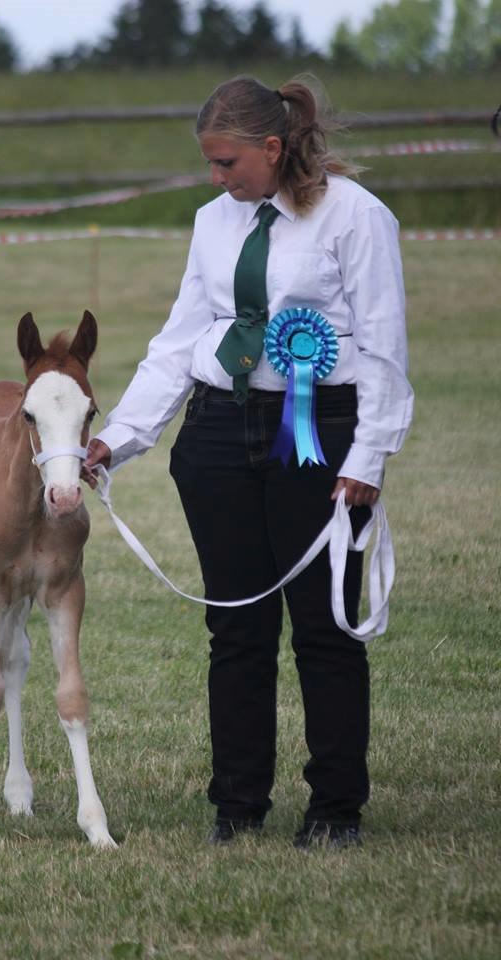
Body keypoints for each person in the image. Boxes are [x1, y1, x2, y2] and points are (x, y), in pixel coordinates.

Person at [83, 75, 413, 849]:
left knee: (326, 630)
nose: (216, 178)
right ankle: (236, 806)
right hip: (218, 437)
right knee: (236, 630)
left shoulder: (356, 218)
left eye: (227, 162)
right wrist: (119, 437)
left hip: (319, 438)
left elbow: (384, 347)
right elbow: (179, 340)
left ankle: (335, 809)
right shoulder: (212, 223)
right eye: (210, 164)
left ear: (272, 148)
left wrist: (368, 455)